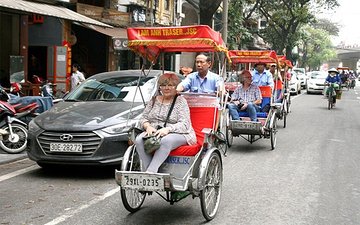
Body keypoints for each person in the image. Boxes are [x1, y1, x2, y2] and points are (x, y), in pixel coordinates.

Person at [136, 73, 197, 173]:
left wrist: (168, 129)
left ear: (176, 87)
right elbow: (143, 118)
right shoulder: (153, 100)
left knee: (165, 140)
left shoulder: (181, 101)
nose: (166, 88)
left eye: (170, 85)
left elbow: (185, 124)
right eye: (163, 85)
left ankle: (151, 172)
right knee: (139, 140)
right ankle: (150, 173)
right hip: (155, 132)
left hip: (179, 133)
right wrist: (147, 126)